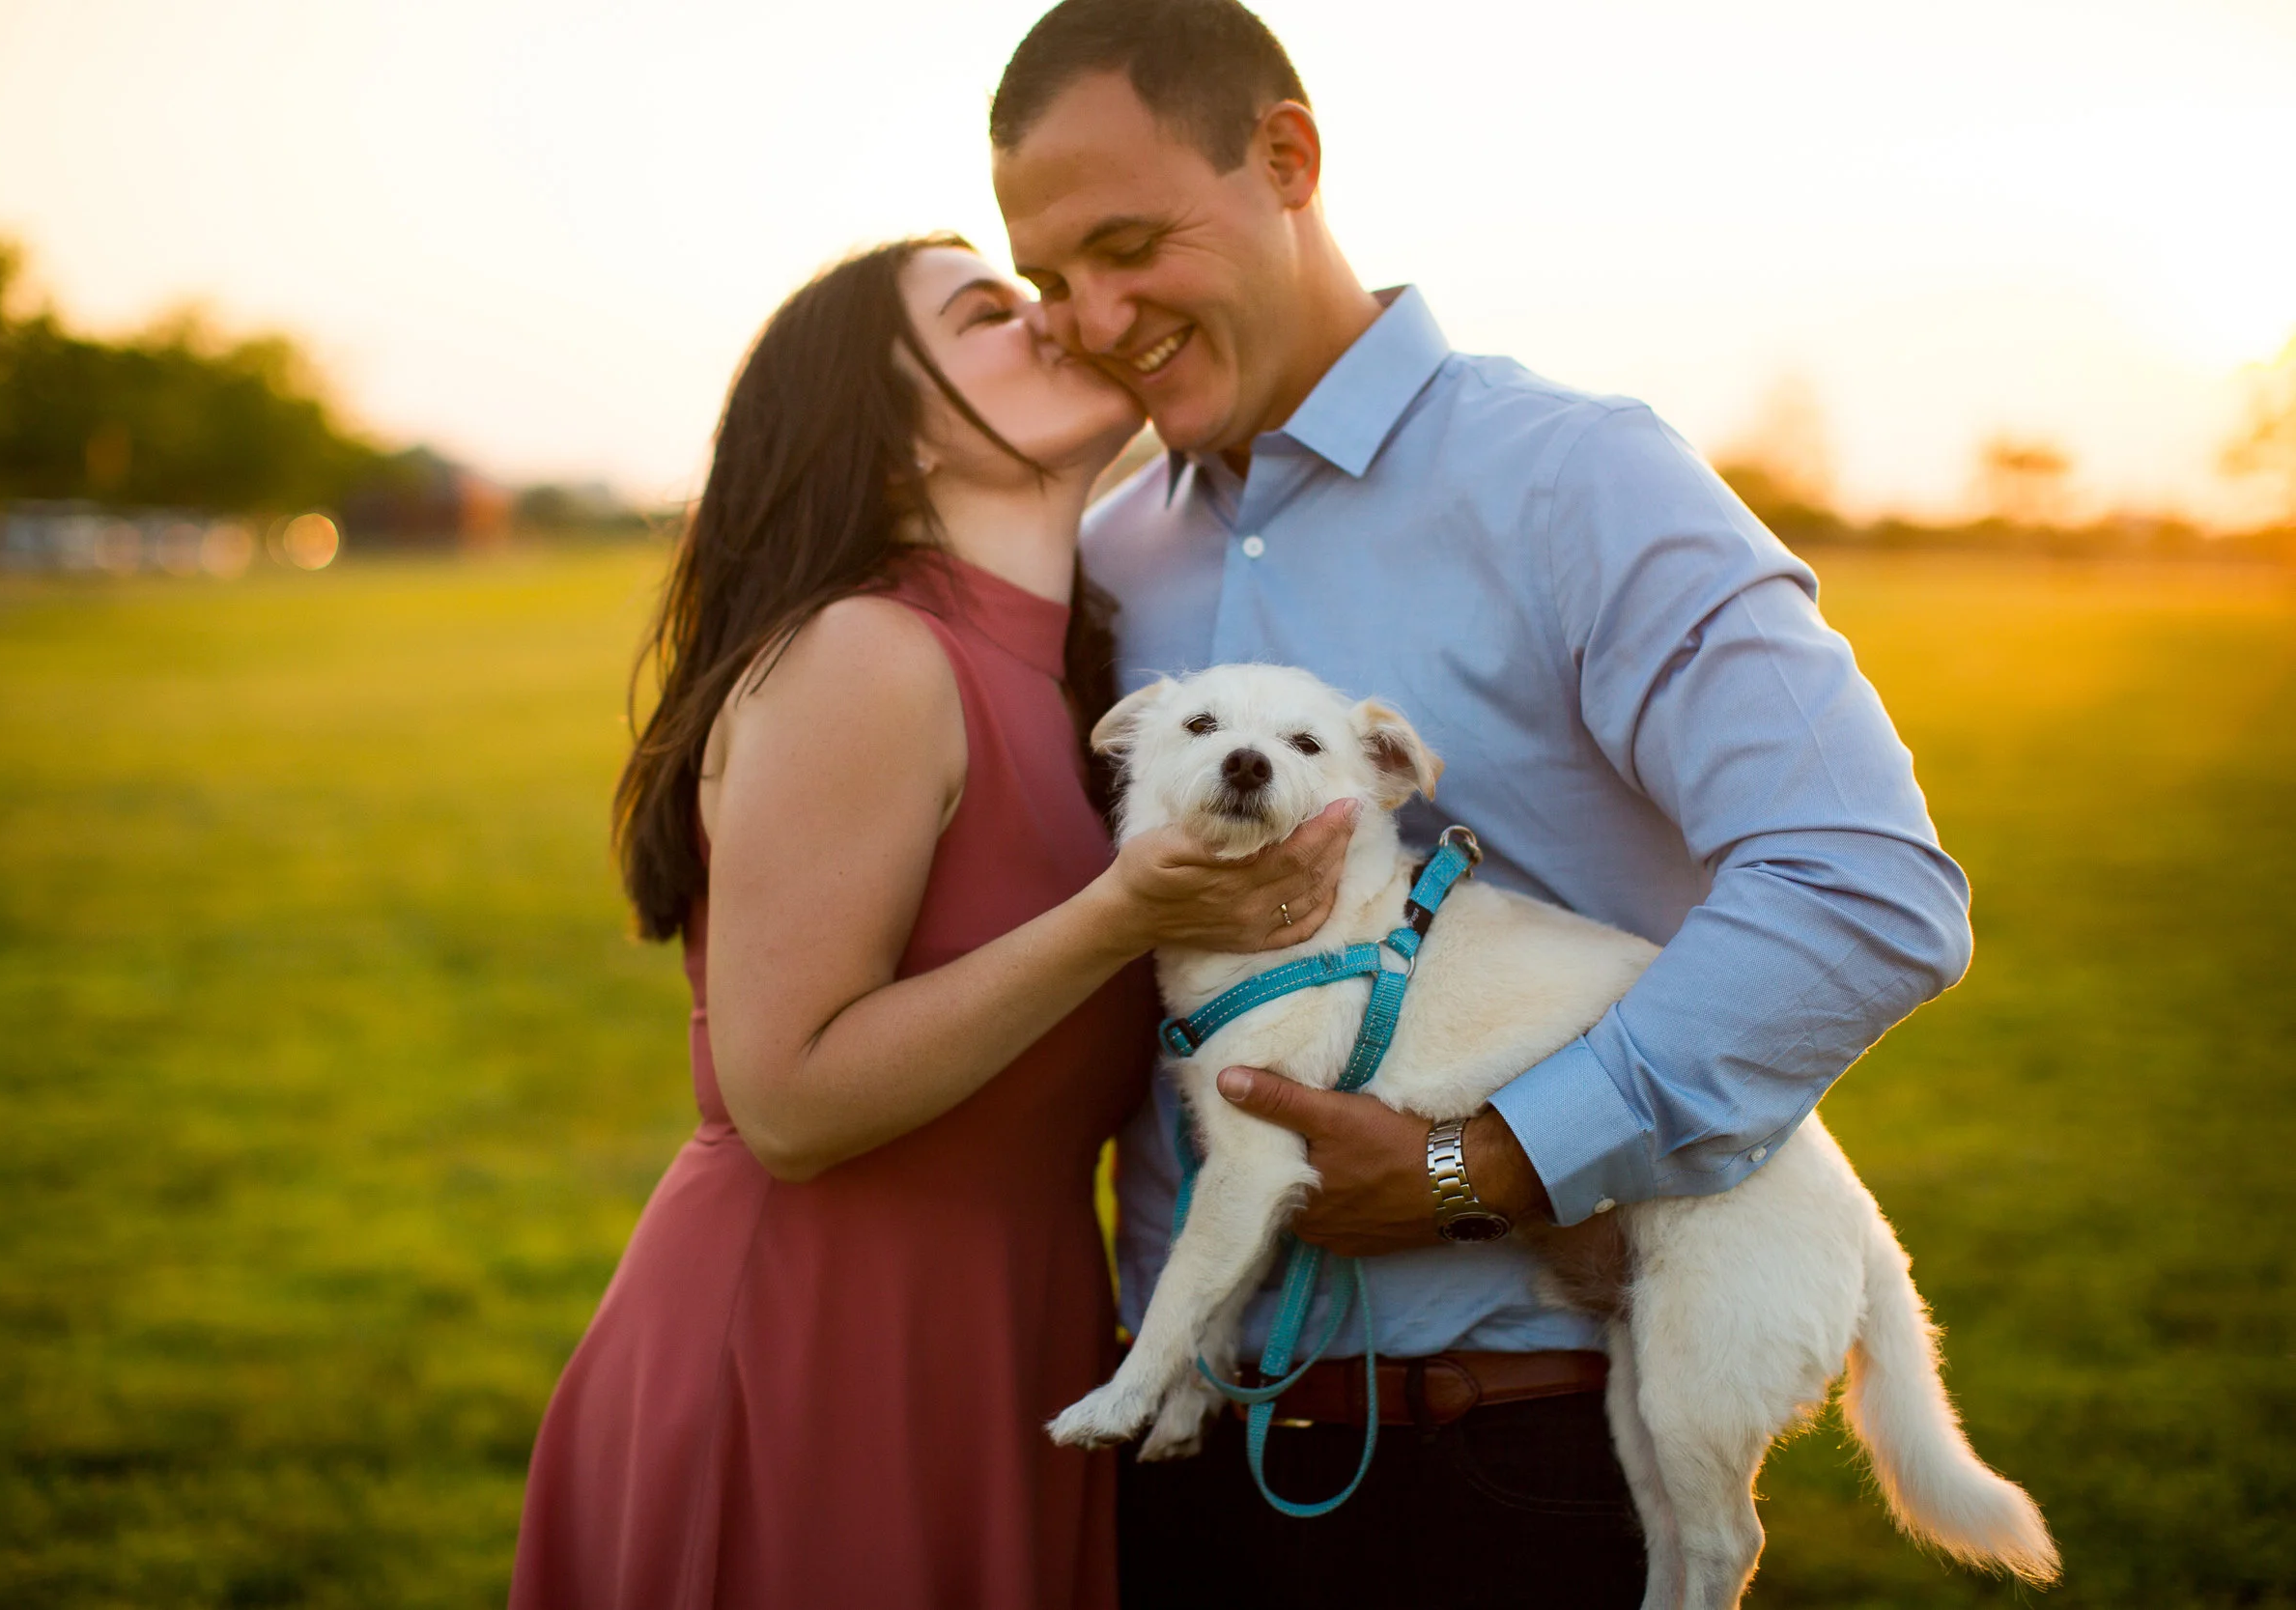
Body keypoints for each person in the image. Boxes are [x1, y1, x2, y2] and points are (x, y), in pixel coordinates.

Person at [988, 3, 1975, 1605]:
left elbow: (1865, 884)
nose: (1092, 317)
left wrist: (1493, 1161)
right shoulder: (1108, 558)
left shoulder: (1582, 478)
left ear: (1288, 157)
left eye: (1127, 244)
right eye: (1050, 280)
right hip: (1181, 1469)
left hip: (1509, 1463)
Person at [507, 235, 1356, 1610]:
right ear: (892, 442)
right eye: (989, 315)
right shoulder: (869, 653)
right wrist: (1113, 915)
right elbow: (783, 1100)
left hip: (1004, 1333)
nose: (1059, 321)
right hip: (817, 1346)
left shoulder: (1065, 678)